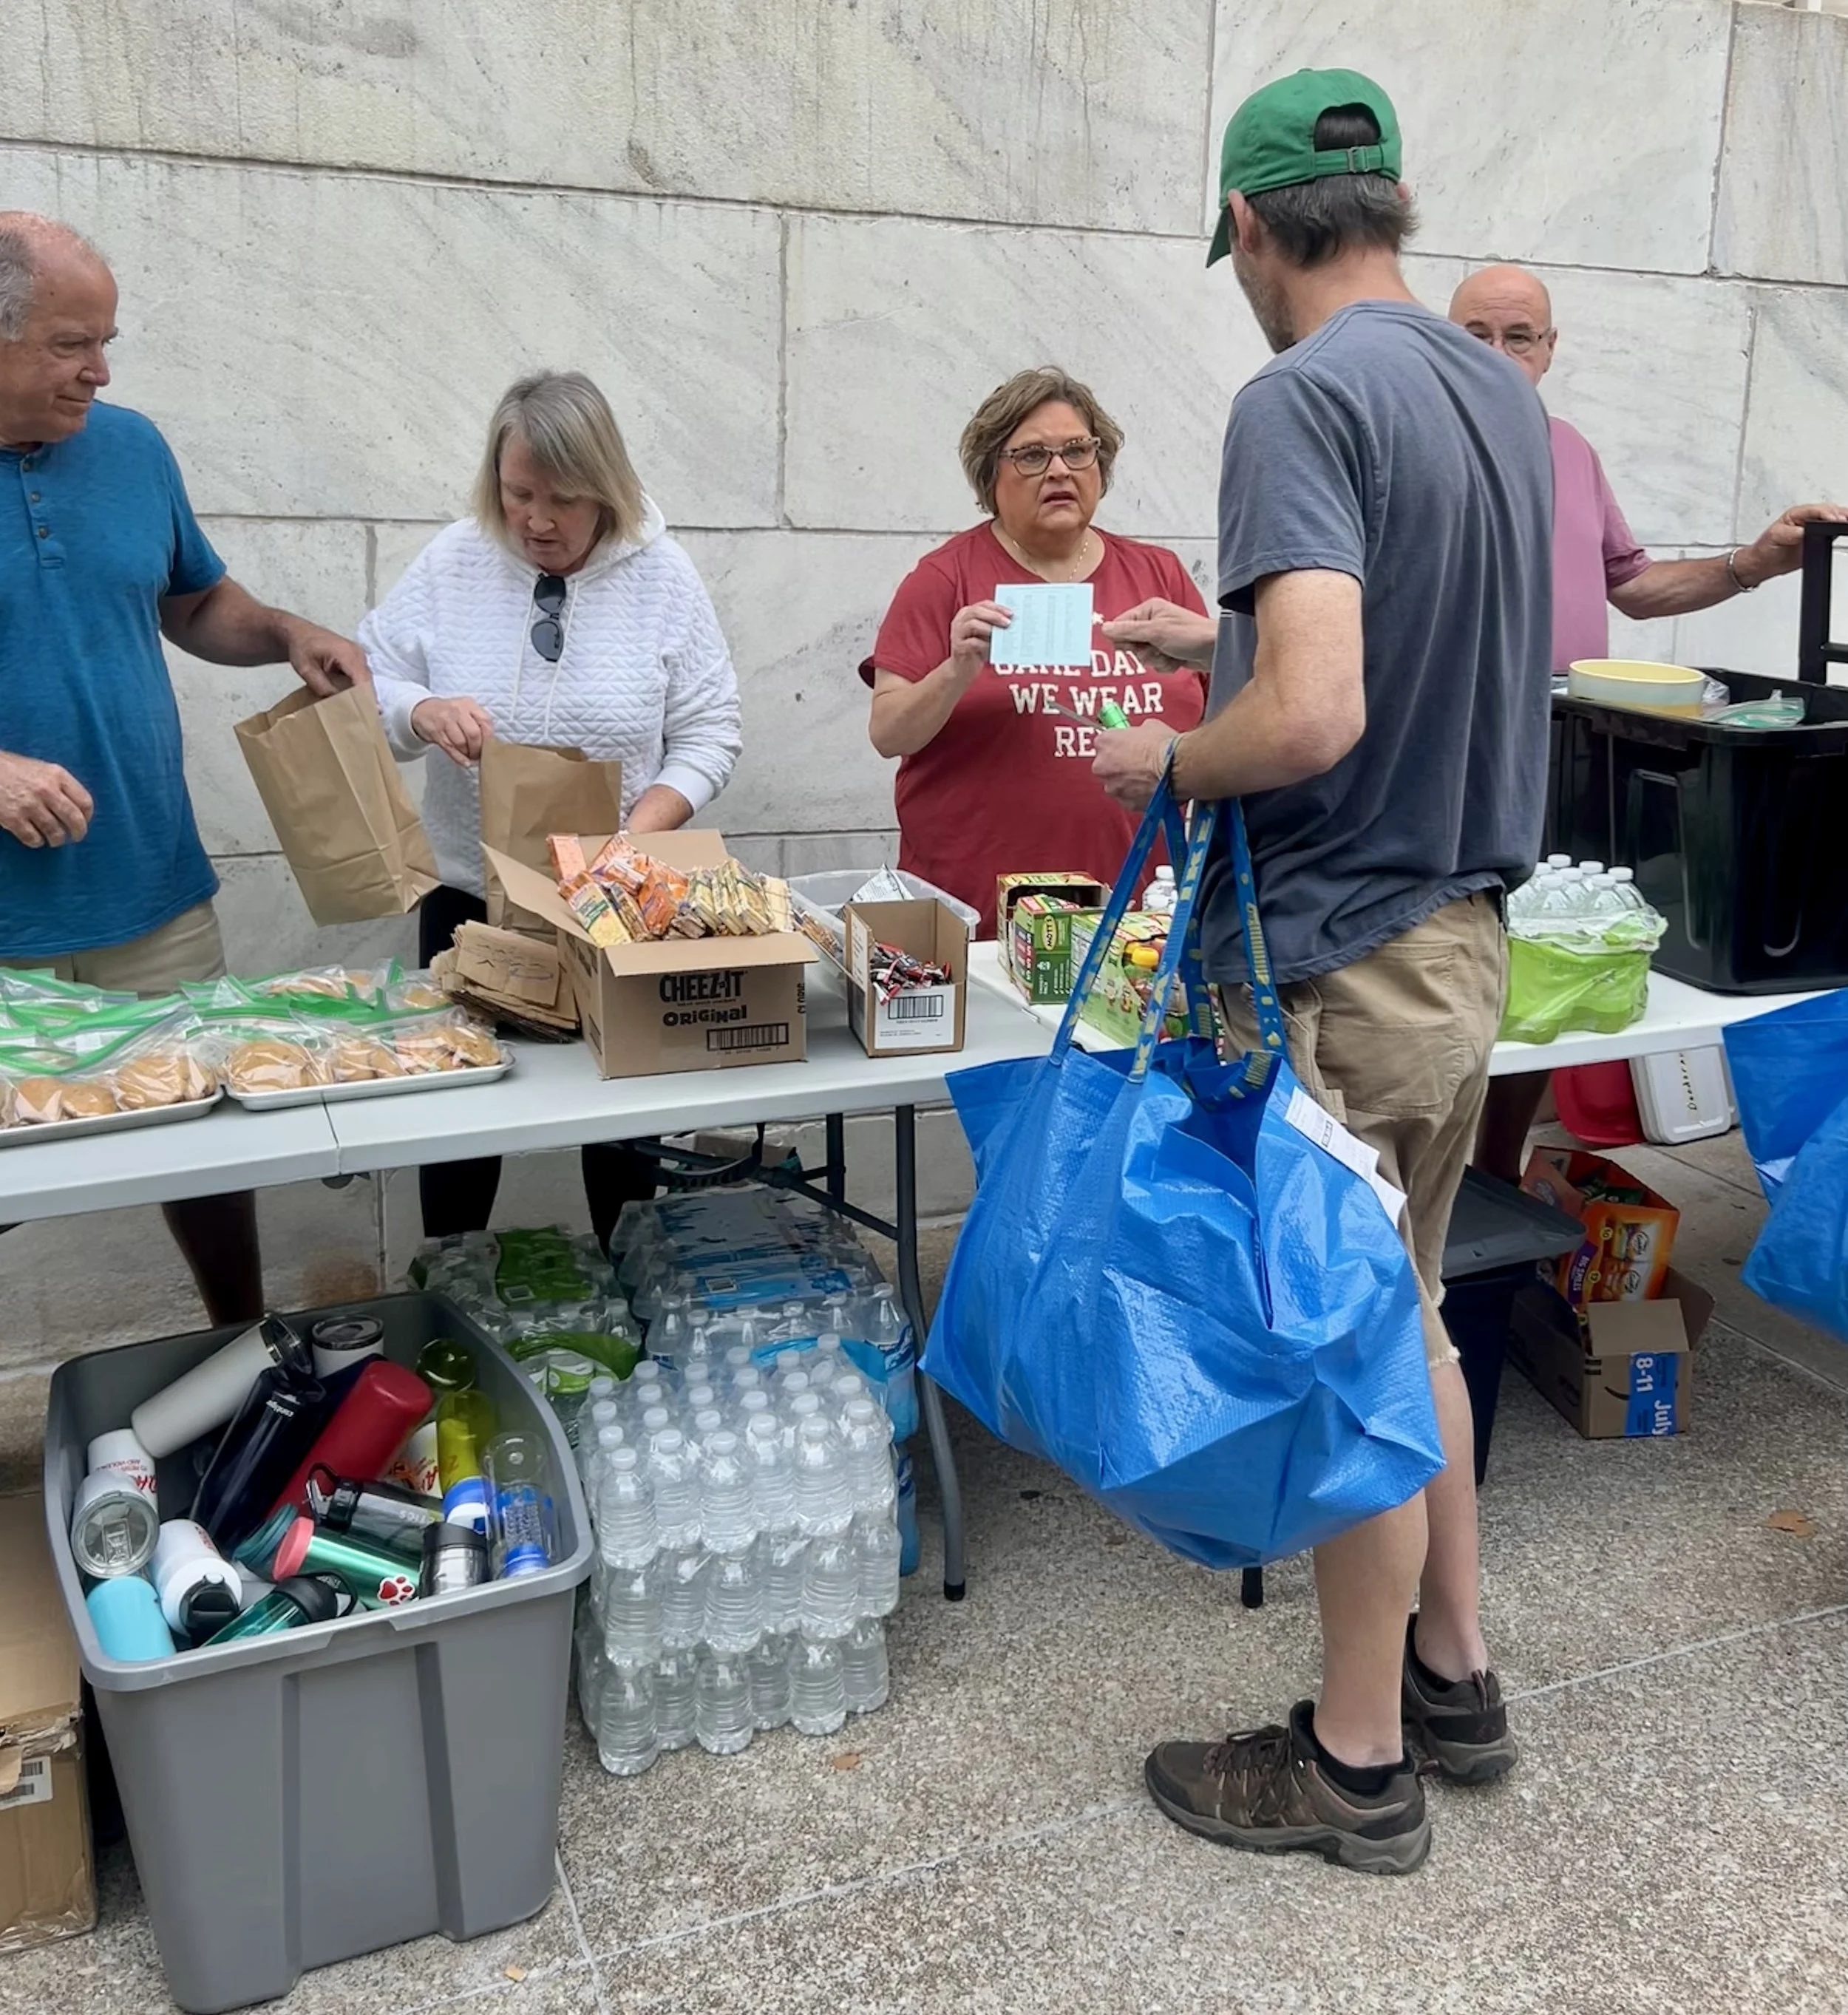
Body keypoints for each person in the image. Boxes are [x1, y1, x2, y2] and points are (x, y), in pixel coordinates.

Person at [1093, 71, 1552, 1875]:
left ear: (1262, 232)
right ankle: (1457, 1667)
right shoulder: (1490, 388)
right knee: (1417, 1308)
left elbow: (1314, 711)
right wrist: (1207, 632)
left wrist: (1171, 754)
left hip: (1348, 950)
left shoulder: (1298, 395)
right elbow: (1419, 635)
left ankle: (1355, 1760)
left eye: (1240, 256)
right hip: (1459, 940)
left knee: (1352, 1347)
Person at [0, 213, 370, 1325]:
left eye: (106, 341)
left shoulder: (133, 448)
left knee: (206, 1147)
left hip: (149, 887)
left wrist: (286, 631)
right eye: (74, 343)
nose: (99, 370)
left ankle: (244, 1347)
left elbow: (194, 600)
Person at [1447, 262, 1848, 1181]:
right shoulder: (1408, 440)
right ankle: (1408, 1193)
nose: (1501, 356)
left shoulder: (1571, 450)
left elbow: (1632, 585)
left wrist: (1754, 562)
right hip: (1451, 750)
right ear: (1441, 339)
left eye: (1520, 337)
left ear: (1549, 351)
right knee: (1445, 975)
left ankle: (1495, 1177)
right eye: (1476, 334)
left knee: (1540, 965)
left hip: (1568, 750)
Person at [361, 370, 742, 1248]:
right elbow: (373, 673)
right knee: (459, 1119)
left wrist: (635, 831)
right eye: (518, 493)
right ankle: (450, 1287)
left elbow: (711, 728)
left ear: (604, 487)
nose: (536, 519)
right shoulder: (457, 557)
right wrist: (419, 711)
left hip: (614, 896)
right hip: (469, 898)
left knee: (624, 1120)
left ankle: (633, 1291)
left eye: (563, 499)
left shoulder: (663, 576)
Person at [860, 367, 1209, 934]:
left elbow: (1229, 709)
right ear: (989, 475)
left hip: (1145, 915)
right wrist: (955, 671)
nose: (1059, 471)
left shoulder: (1159, 574)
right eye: (1031, 456)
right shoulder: (945, 579)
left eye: (1077, 451)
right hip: (986, 921)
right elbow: (888, 734)